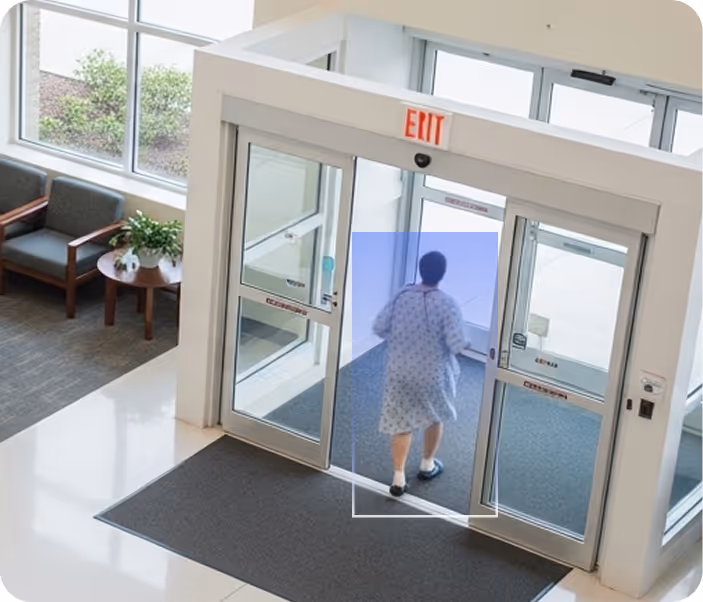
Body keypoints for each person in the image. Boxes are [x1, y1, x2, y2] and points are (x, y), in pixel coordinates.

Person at [373, 251, 468, 497]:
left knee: (400, 422)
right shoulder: (447, 304)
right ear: (442, 274)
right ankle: (427, 464)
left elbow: (379, 327)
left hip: (399, 370)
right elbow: (457, 344)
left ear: (420, 269)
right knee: (434, 417)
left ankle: (398, 478)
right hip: (432, 374)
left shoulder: (402, 296)